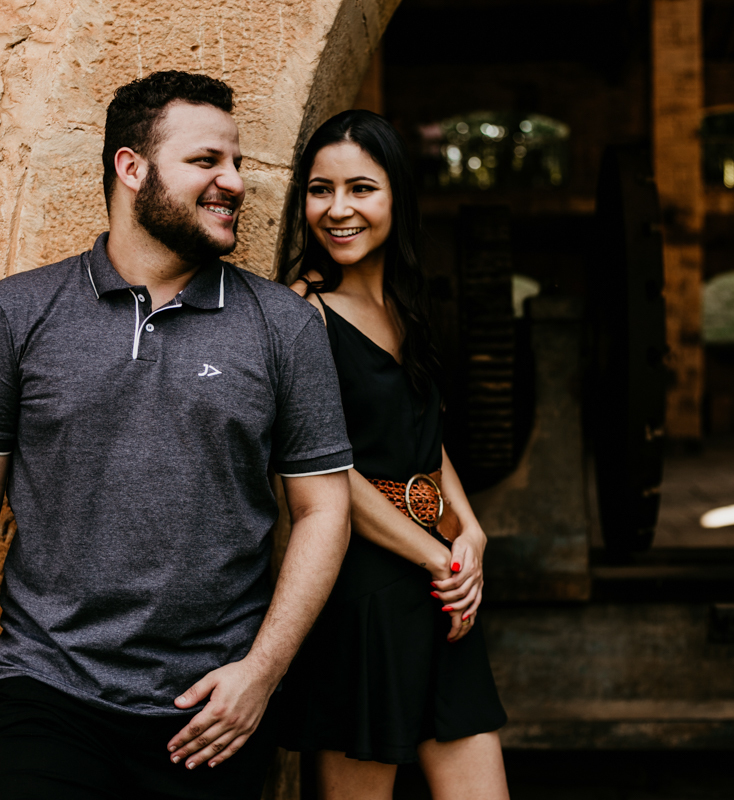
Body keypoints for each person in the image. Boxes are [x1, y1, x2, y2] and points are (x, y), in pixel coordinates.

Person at [0, 71, 354, 800]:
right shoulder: (16, 313)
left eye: (237, 162)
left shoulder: (284, 327)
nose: (234, 182)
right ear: (131, 168)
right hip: (47, 691)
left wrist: (261, 673)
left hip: (210, 711)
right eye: (206, 160)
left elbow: (324, 510)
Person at [278, 110, 509, 800]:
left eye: (361, 189)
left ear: (396, 197)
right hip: (362, 588)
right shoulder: (303, 311)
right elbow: (322, 469)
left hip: (439, 585)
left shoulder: (408, 305)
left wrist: (470, 531)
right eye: (320, 190)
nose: (338, 209)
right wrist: (435, 556)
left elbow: (423, 436)